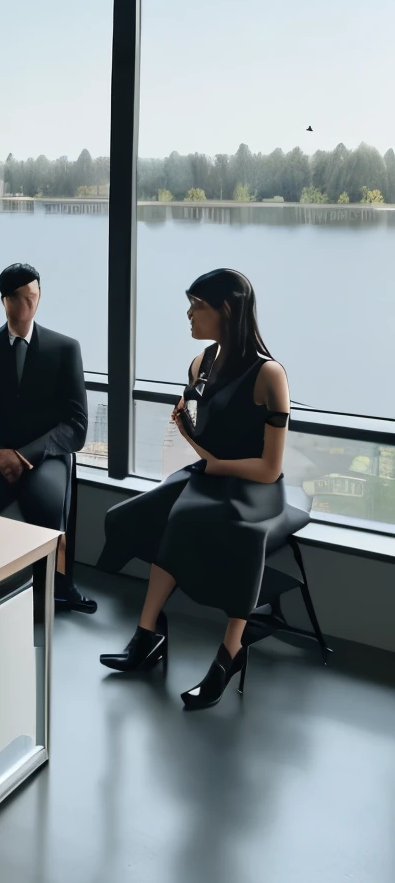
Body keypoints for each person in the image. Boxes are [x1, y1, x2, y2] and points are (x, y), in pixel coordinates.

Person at [98, 268, 296, 711]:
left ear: (226, 311)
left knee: (186, 517)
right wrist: (189, 432)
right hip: (211, 472)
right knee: (131, 515)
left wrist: (209, 459)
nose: (189, 314)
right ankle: (147, 635)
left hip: (253, 487)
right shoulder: (200, 363)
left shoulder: (270, 375)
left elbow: (268, 468)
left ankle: (229, 653)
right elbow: (207, 436)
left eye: (197, 306)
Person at [0, 262, 94, 613]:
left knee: (48, 511)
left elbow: (77, 425)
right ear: (4, 301)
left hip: (44, 457)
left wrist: (24, 456)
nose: (28, 305)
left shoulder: (65, 349)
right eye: (19, 298)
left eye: (33, 296)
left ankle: (54, 591)